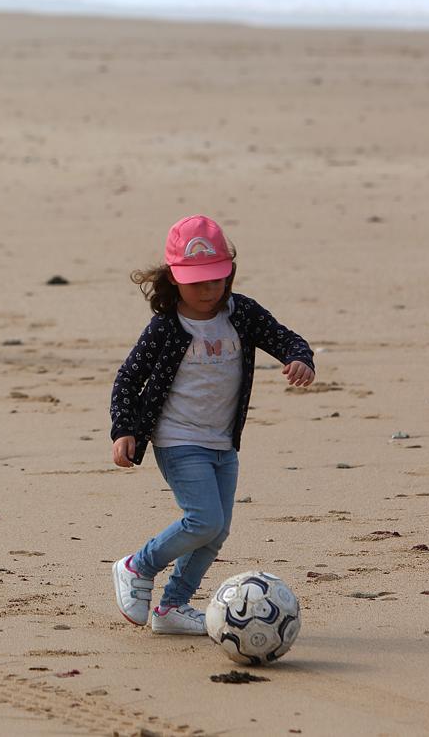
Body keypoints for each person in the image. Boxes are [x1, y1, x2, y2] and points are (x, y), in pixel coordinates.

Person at [109, 215, 315, 635]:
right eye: (196, 282)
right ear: (174, 280)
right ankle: (137, 565)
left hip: (223, 441)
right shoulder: (166, 327)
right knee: (203, 520)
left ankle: (172, 607)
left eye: (216, 280)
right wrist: (123, 429)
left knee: (217, 532)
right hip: (177, 438)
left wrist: (300, 360)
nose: (208, 290)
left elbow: (286, 338)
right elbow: (129, 378)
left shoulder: (243, 314)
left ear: (229, 274)